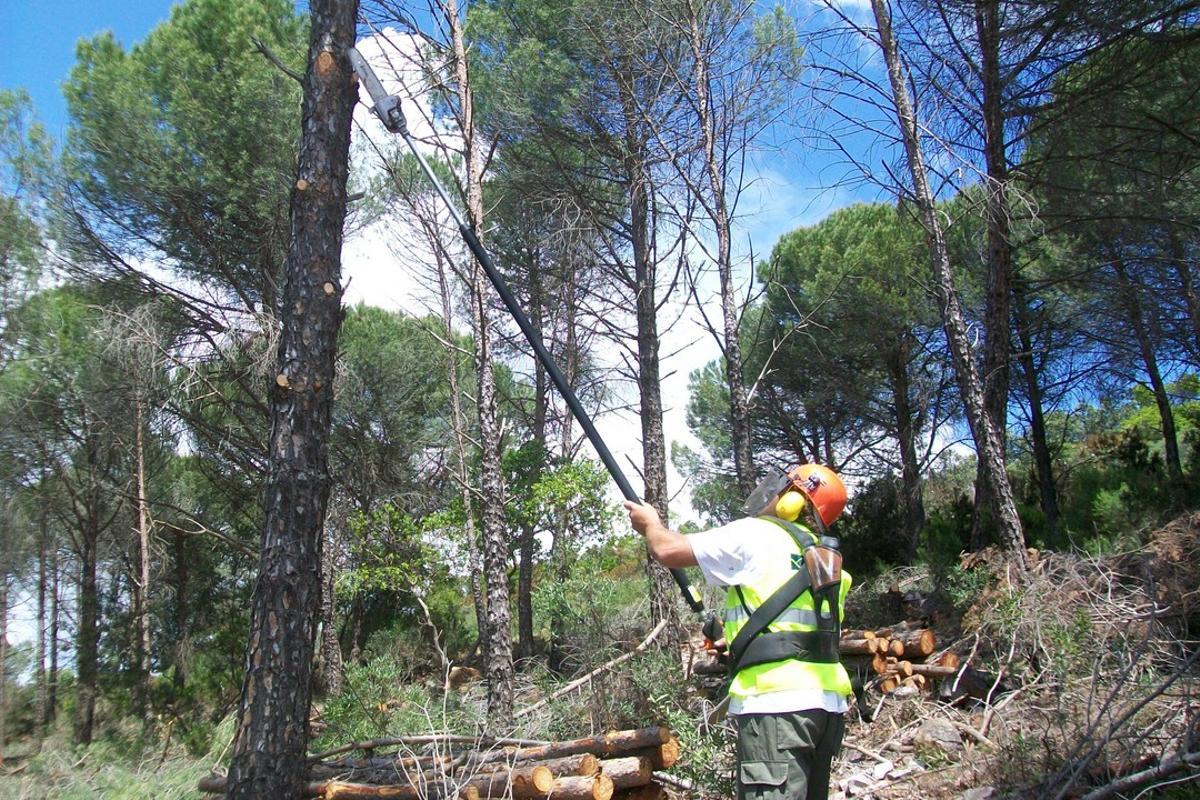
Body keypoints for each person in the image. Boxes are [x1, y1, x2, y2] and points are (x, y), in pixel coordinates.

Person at [624, 464, 853, 800]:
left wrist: (651, 524)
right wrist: (739, 645)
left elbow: (667, 550)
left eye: (782, 487)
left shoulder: (757, 534)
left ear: (793, 499)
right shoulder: (829, 561)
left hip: (776, 706)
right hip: (827, 710)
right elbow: (805, 636)